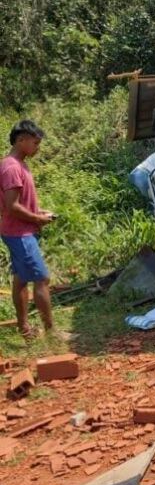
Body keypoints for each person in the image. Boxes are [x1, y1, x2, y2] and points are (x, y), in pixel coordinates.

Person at [0, 120, 57, 339]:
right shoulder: (12, 167)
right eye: (35, 142)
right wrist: (37, 219)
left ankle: (24, 328)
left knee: (21, 278)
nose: (38, 147)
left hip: (21, 230)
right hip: (19, 233)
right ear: (21, 139)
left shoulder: (19, 164)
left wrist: (39, 212)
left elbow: (19, 202)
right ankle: (51, 332)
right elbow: (12, 207)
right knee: (41, 279)